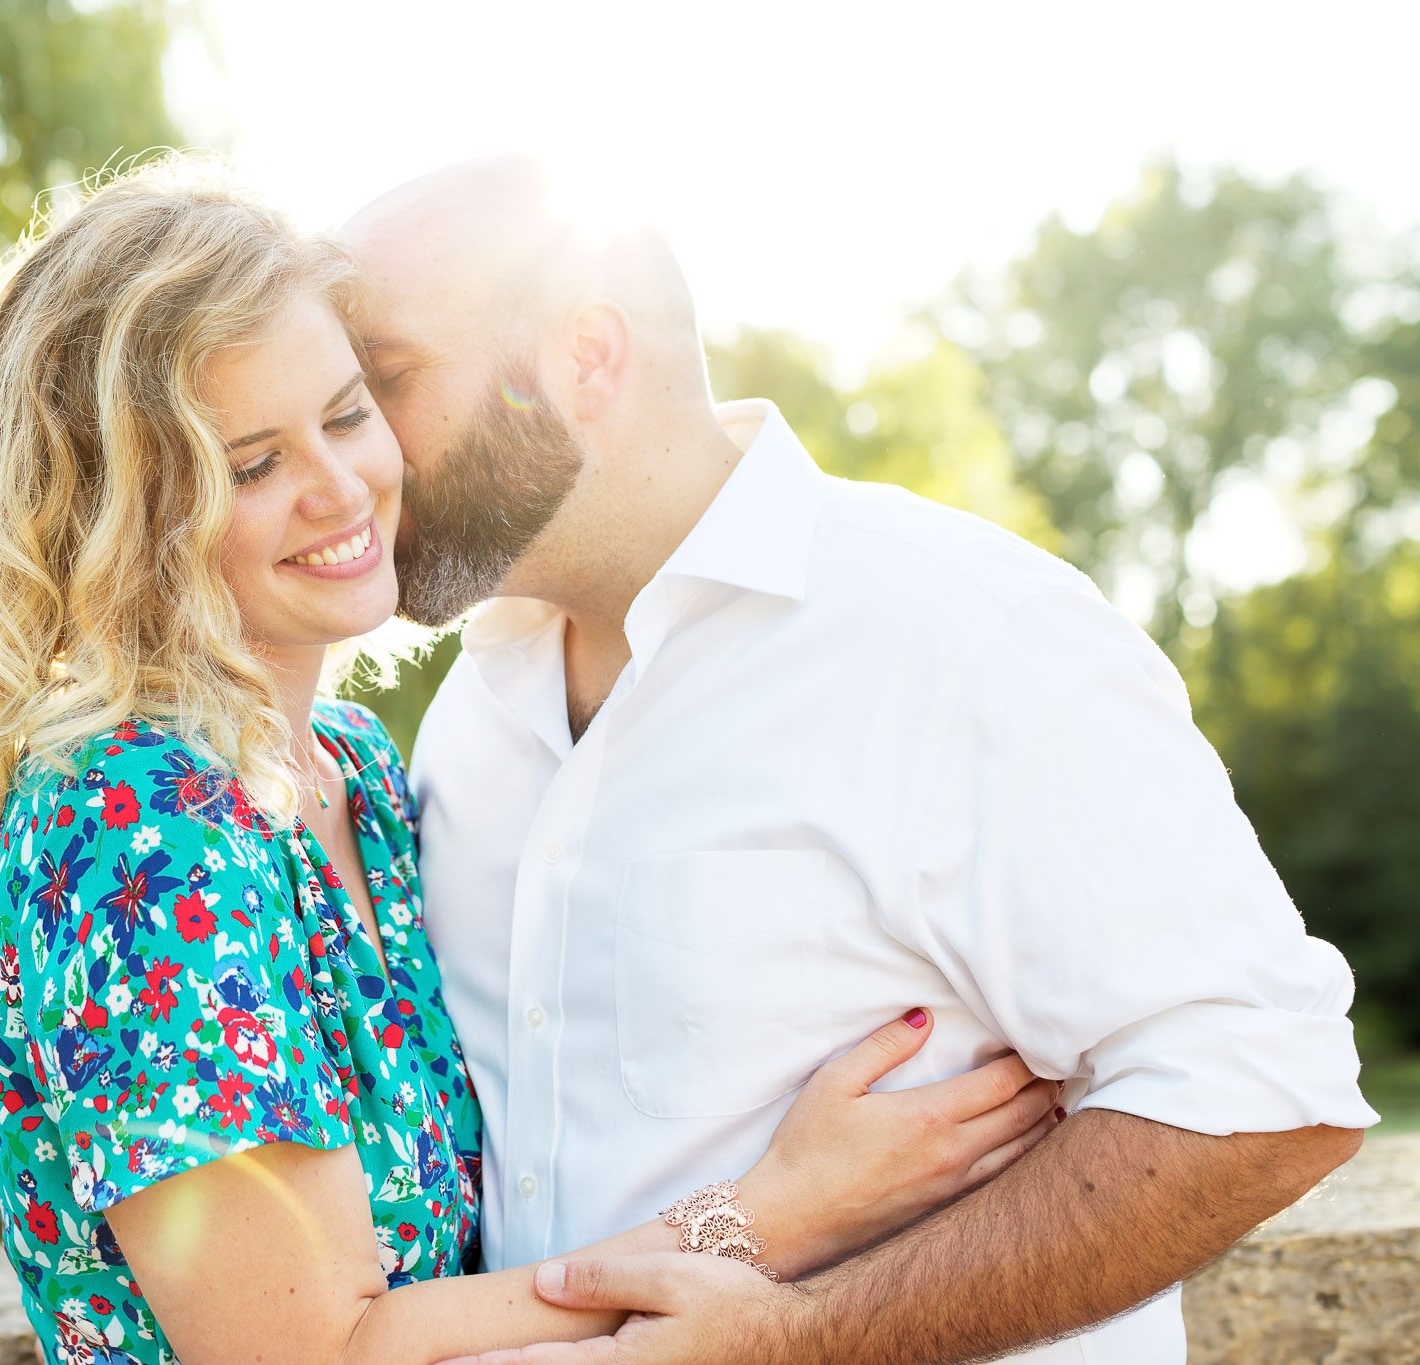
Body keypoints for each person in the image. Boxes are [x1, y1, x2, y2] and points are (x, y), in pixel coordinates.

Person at [0, 155, 1061, 1365]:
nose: (341, 488)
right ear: (121, 517)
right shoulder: (135, 828)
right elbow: (313, 1354)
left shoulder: (356, 774)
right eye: (253, 465)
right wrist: (775, 1214)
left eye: (348, 414)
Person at [336, 156, 1380, 1365]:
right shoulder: (470, 710)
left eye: (381, 383)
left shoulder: (971, 635)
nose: (346, 454)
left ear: (584, 357)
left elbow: (1263, 1094)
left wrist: (809, 1339)